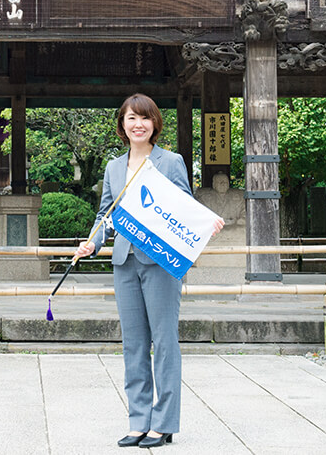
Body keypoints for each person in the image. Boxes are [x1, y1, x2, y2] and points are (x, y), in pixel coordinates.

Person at [75, 93, 224, 448]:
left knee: (165, 342)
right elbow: (106, 216)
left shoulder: (170, 162)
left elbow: (184, 206)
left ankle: (165, 422)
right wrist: (92, 243)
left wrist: (206, 222)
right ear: (122, 125)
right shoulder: (114, 167)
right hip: (124, 261)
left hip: (161, 262)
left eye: (144, 118)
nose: (137, 124)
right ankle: (139, 421)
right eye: (131, 118)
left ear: (155, 123)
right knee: (134, 345)